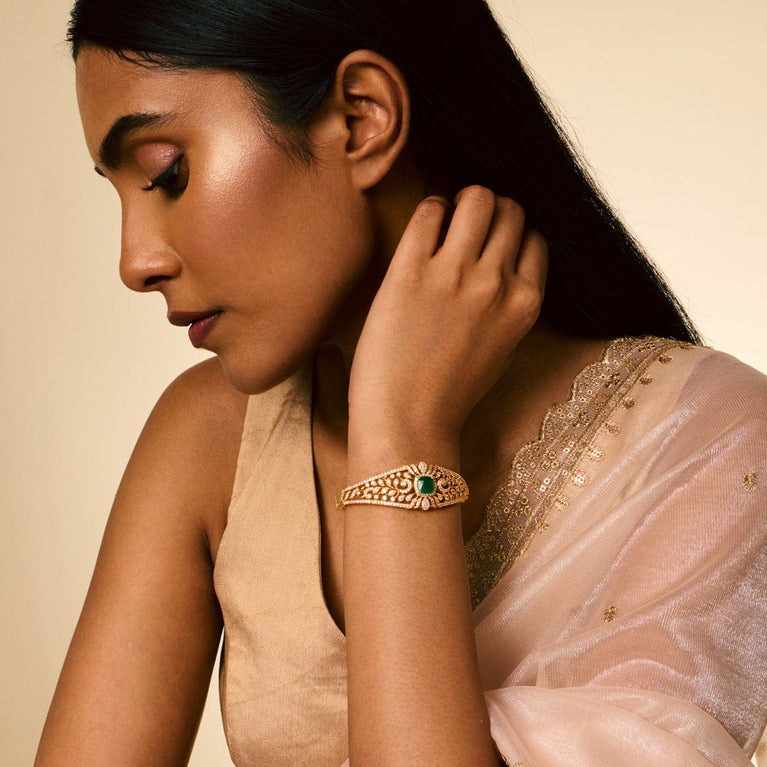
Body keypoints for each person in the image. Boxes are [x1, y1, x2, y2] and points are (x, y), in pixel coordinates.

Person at [35, 0, 766, 765]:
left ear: (361, 119)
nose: (135, 261)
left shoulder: (716, 445)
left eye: (167, 174)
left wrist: (402, 429)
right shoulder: (213, 440)